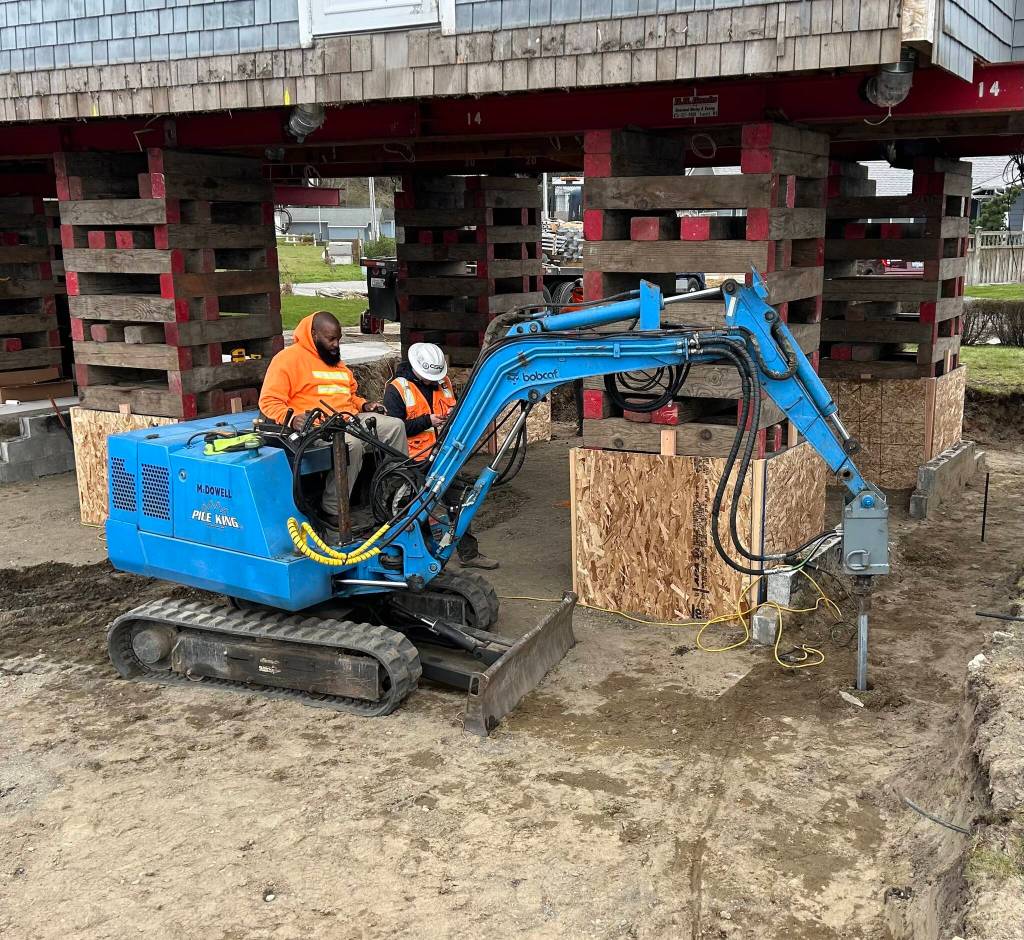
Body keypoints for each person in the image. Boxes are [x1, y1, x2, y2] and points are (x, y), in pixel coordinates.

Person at [258, 311, 408, 522]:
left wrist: (365, 404)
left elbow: (349, 396)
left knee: (395, 426)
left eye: (338, 339)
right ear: (314, 334)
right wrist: (292, 419)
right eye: (331, 339)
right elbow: (269, 402)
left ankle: (395, 493)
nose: (336, 344)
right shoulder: (287, 360)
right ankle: (333, 508)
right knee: (351, 444)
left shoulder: (336, 362)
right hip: (318, 426)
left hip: (348, 418)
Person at [383, 342, 499, 571]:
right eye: (428, 377)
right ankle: (425, 556)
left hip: (443, 457)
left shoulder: (442, 382)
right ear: (415, 369)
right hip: (413, 460)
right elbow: (394, 428)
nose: (432, 381)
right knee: (417, 510)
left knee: (458, 502)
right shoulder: (397, 389)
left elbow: (455, 409)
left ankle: (469, 553)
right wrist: (428, 421)